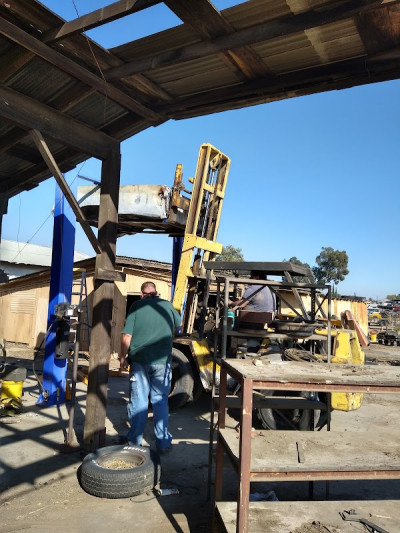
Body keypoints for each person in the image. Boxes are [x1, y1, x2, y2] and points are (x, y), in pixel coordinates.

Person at [119, 281, 181, 453]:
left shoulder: (136, 306)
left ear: (141, 294)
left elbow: (127, 335)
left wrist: (122, 357)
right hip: (162, 363)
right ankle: (163, 443)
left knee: (139, 401)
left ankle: (134, 443)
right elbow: (178, 324)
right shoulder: (167, 306)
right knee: (160, 401)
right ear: (156, 293)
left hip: (140, 361)